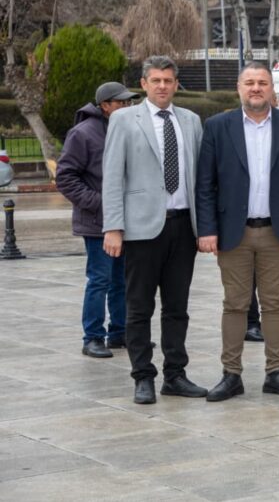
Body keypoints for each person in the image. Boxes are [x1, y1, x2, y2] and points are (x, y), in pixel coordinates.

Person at [196, 61, 279, 402]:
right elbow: (205, 184)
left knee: (275, 304)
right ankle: (231, 375)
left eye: (262, 82)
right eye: (250, 82)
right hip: (234, 233)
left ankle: (276, 372)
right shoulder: (218, 127)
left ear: (272, 88)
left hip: (278, 232)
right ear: (239, 88)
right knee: (235, 304)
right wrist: (207, 229)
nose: (256, 88)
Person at [102, 56, 208, 404]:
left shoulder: (191, 121)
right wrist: (113, 227)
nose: (162, 86)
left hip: (182, 227)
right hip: (141, 229)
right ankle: (143, 376)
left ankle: (175, 374)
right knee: (139, 307)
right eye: (155, 80)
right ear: (143, 84)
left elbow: (202, 179)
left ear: (176, 84)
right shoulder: (123, 119)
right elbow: (113, 177)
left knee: (177, 306)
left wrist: (205, 227)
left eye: (168, 80)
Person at [56, 81, 138, 359]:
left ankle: (119, 332)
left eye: (129, 102)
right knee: (99, 280)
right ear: (105, 106)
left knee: (122, 280)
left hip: (127, 220)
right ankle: (92, 337)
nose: (128, 106)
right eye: (122, 103)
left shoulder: (126, 128)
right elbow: (65, 177)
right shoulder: (83, 133)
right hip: (97, 223)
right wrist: (99, 203)